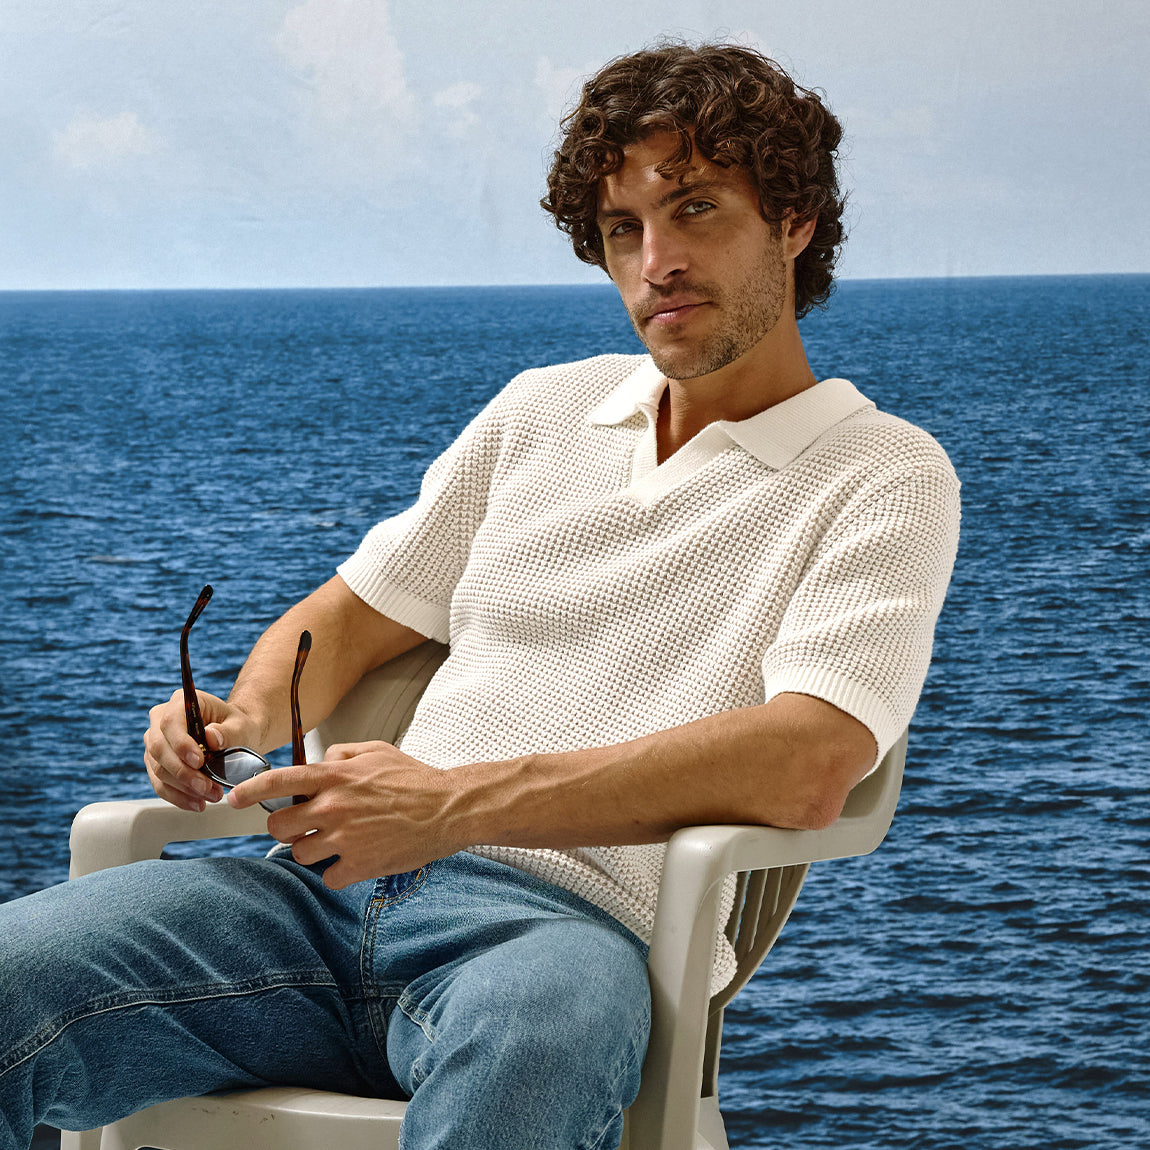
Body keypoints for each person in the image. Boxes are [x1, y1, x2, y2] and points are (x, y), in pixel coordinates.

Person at [0, 41, 960, 1150]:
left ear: (794, 220)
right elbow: (345, 618)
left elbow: (805, 765)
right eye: (621, 229)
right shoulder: (539, 413)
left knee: (530, 1052)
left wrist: (450, 803)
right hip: (305, 901)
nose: (657, 261)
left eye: (696, 209)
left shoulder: (883, 472)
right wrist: (240, 720)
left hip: (564, 932)